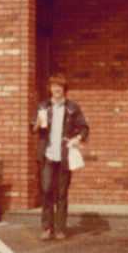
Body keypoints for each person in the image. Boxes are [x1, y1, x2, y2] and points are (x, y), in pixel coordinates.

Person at [30, 74, 89, 240]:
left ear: (64, 88)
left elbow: (84, 128)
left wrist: (77, 138)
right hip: (47, 155)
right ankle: (47, 227)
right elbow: (33, 129)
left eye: (60, 86)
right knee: (46, 190)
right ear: (50, 88)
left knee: (62, 193)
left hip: (64, 156)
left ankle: (61, 229)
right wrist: (37, 123)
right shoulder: (42, 107)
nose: (56, 89)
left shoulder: (72, 108)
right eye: (54, 85)